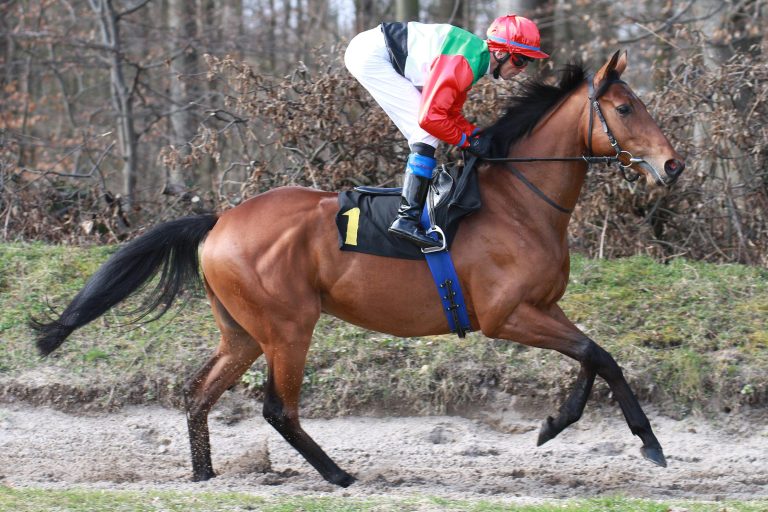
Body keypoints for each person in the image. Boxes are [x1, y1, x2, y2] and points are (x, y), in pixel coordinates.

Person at [344, 14, 549, 249]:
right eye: (521, 60)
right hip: (371, 55)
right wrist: (467, 141)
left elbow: (449, 112)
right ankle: (406, 218)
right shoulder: (464, 62)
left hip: (373, 50)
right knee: (425, 132)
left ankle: (408, 216)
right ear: (501, 53)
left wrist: (475, 135)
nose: (522, 69)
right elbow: (431, 118)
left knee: (428, 130)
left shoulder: (474, 59)